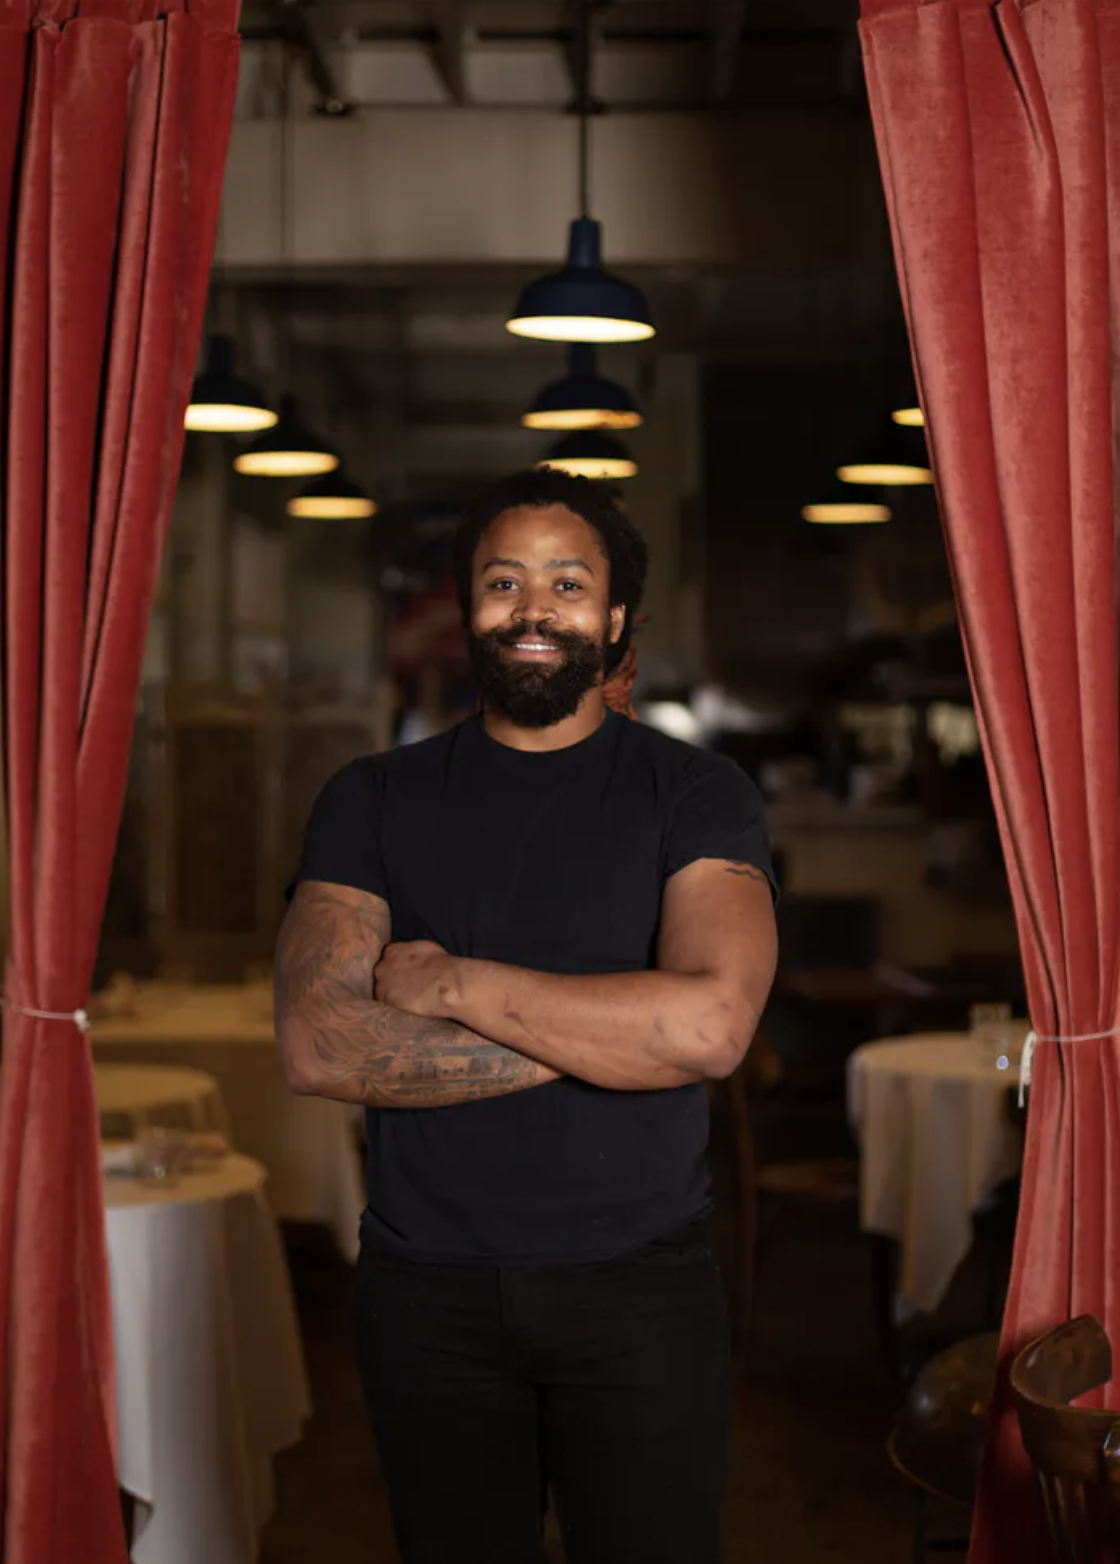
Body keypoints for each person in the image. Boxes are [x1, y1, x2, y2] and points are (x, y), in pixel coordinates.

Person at [275, 467, 779, 1564]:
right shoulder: (371, 797)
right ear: (467, 609)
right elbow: (319, 1044)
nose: (534, 608)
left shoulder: (695, 794)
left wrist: (453, 985)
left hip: (639, 1290)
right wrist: (612, 1027)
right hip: (427, 1295)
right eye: (504, 583)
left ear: (613, 617)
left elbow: (709, 1029)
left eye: (566, 582)